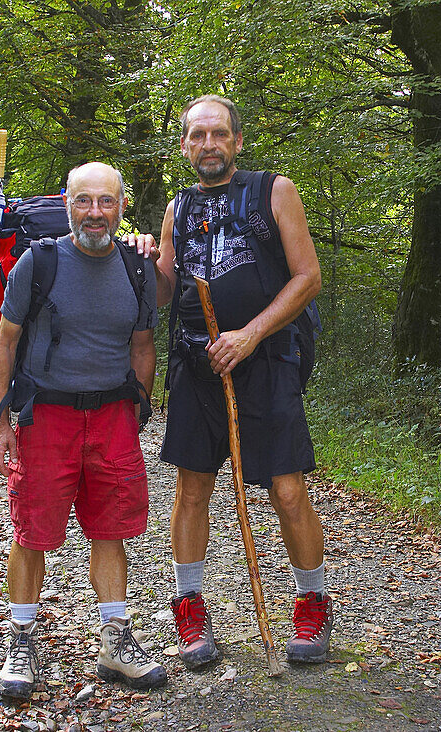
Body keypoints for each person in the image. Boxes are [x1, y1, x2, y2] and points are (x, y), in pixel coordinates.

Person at [154, 95, 333, 668]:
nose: (208, 144)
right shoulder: (177, 209)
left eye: (218, 134)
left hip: (268, 361)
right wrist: (136, 255)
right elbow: (161, 291)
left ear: (235, 141)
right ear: (184, 145)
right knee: (192, 490)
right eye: (197, 136)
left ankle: (312, 603)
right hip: (196, 366)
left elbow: (307, 278)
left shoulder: (272, 191)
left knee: (286, 488)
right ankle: (189, 608)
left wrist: (251, 334)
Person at [0, 161, 166, 700]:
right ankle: (21, 644)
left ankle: (115, 641)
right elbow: (6, 343)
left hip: (112, 417)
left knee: (112, 528)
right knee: (32, 531)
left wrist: (137, 410)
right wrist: (1, 423)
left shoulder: (138, 269)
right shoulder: (37, 263)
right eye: (84, 201)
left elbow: (142, 347)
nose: (95, 212)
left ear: (121, 206)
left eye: (106, 202)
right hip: (46, 416)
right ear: (66, 203)